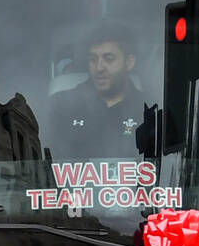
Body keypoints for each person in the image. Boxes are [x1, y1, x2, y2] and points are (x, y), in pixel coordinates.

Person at [49, 20, 154, 159]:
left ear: (129, 62)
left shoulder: (150, 110)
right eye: (93, 59)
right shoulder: (62, 106)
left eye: (108, 59)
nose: (99, 68)